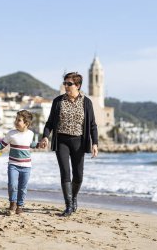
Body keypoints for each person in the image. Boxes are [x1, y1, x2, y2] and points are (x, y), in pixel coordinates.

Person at [40, 72, 98, 217]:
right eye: (64, 83)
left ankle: (74, 196)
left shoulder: (87, 102)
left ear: (78, 85)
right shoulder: (58, 101)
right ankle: (69, 205)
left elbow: (92, 125)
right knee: (65, 172)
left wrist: (95, 143)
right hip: (62, 141)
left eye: (69, 84)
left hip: (79, 141)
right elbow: (50, 123)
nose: (66, 86)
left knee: (78, 175)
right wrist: (46, 137)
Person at [0, 110, 38, 216]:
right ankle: (12, 204)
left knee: (23, 187)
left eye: (19, 120)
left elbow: (32, 144)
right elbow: (1, 145)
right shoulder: (11, 133)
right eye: (16, 119)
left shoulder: (30, 134)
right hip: (13, 165)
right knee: (12, 185)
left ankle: (20, 206)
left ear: (26, 123)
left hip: (26, 166)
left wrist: (40, 144)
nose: (16, 122)